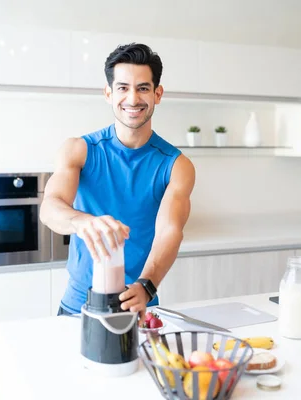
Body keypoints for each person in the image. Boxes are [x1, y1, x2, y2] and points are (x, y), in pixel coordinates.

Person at [40, 43, 196, 320]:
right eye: (123, 88)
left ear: (157, 94)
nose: (133, 98)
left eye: (143, 88)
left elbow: (170, 231)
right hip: (78, 305)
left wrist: (147, 285)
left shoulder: (176, 166)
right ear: (108, 93)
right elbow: (51, 207)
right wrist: (83, 222)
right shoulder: (79, 149)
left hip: (140, 303)